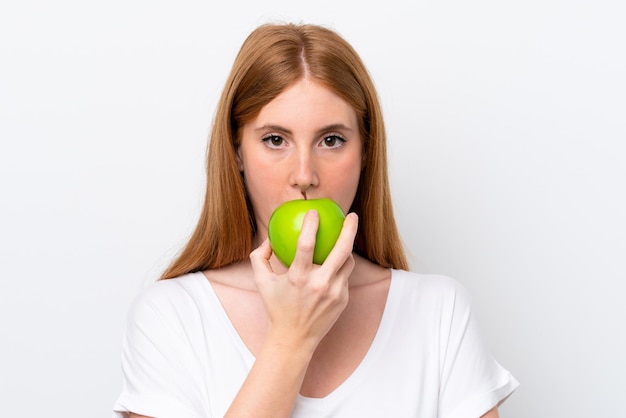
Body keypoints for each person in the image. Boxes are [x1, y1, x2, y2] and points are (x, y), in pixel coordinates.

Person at [112, 22, 519, 418]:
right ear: (237, 153)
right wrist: (292, 338)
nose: (304, 175)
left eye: (331, 140)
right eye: (275, 140)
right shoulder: (171, 318)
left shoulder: (438, 313)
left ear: (364, 154)